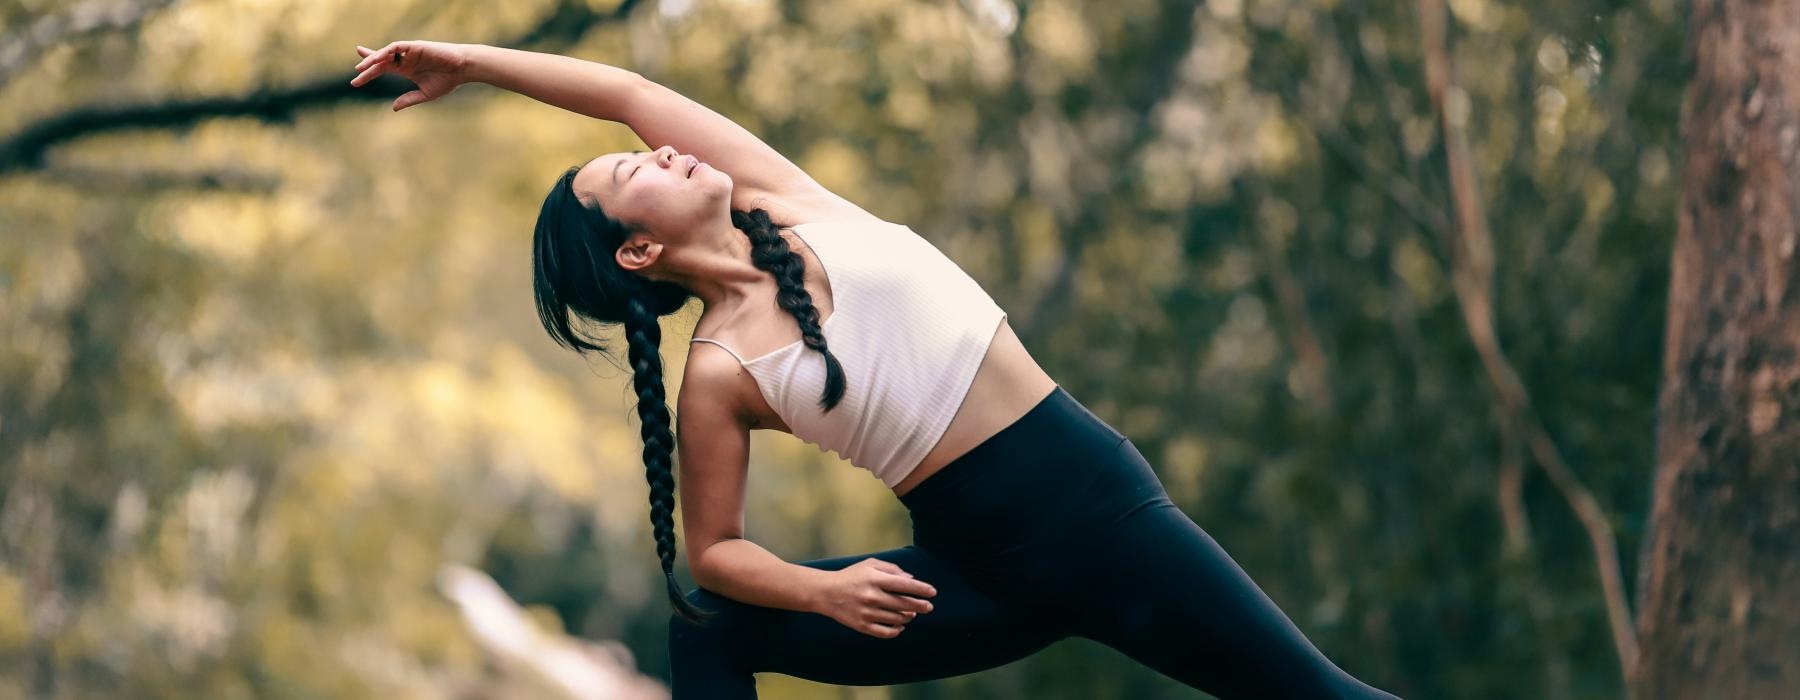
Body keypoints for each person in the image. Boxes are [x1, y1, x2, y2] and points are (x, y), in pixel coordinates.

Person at [350, 39, 1403, 700]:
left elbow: (626, 88)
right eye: (638, 172)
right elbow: (713, 552)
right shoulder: (719, 371)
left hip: (1097, 512)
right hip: (971, 571)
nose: (661, 149)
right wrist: (826, 588)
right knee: (708, 635)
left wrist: (476, 64)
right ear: (637, 251)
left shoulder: (785, 199)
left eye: (645, 149)